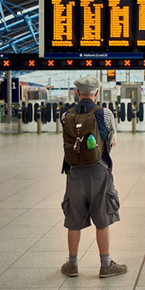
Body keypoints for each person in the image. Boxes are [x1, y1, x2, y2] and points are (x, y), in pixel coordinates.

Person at [60, 76, 127, 278]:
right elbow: (111, 140)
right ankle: (105, 265)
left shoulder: (66, 115)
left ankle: (72, 265)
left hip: (74, 172)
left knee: (74, 219)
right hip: (99, 171)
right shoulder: (105, 114)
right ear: (96, 93)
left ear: (77, 93)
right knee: (102, 217)